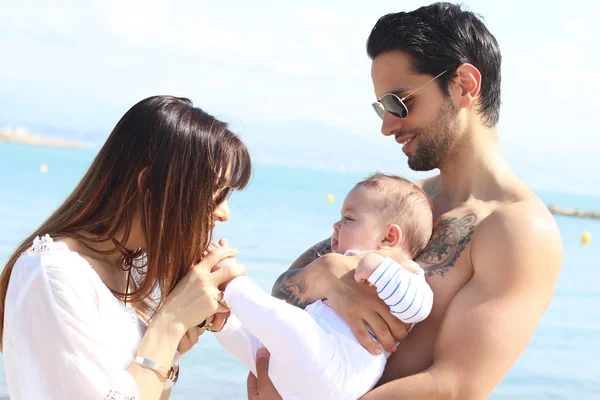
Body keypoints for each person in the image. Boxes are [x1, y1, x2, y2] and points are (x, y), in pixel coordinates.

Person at [248, 3, 563, 399]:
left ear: (464, 85)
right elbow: (280, 293)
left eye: (399, 102)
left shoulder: (518, 230)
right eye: (381, 107)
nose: (386, 125)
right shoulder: (408, 200)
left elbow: (456, 386)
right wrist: (326, 272)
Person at [0, 95, 250, 400]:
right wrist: (170, 321)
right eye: (216, 194)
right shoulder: (52, 274)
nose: (224, 213)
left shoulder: (130, 268)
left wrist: (177, 340)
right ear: (151, 185)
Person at [213, 173, 434, 399]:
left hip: (337, 370)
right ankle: (222, 320)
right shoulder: (341, 262)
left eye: (349, 219)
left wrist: (379, 267)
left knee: (288, 321)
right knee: (258, 346)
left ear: (389, 237)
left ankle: (232, 282)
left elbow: (418, 308)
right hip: (303, 372)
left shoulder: (405, 270)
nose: (336, 225)